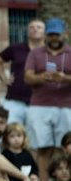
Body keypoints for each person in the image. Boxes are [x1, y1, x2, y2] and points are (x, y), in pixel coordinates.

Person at [24, 17, 71, 181]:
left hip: (66, 106)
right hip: (40, 106)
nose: (54, 38)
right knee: (42, 148)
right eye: (51, 35)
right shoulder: (35, 53)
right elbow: (28, 78)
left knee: (65, 148)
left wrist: (64, 79)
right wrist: (42, 77)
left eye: (57, 34)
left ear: (65, 34)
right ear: (46, 35)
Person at [0, 19, 45, 125]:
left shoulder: (49, 51)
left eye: (39, 27)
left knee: (36, 138)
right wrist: (3, 78)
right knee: (10, 133)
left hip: (39, 103)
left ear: (45, 32)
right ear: (27, 31)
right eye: (32, 27)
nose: (35, 29)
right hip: (14, 101)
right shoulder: (16, 48)